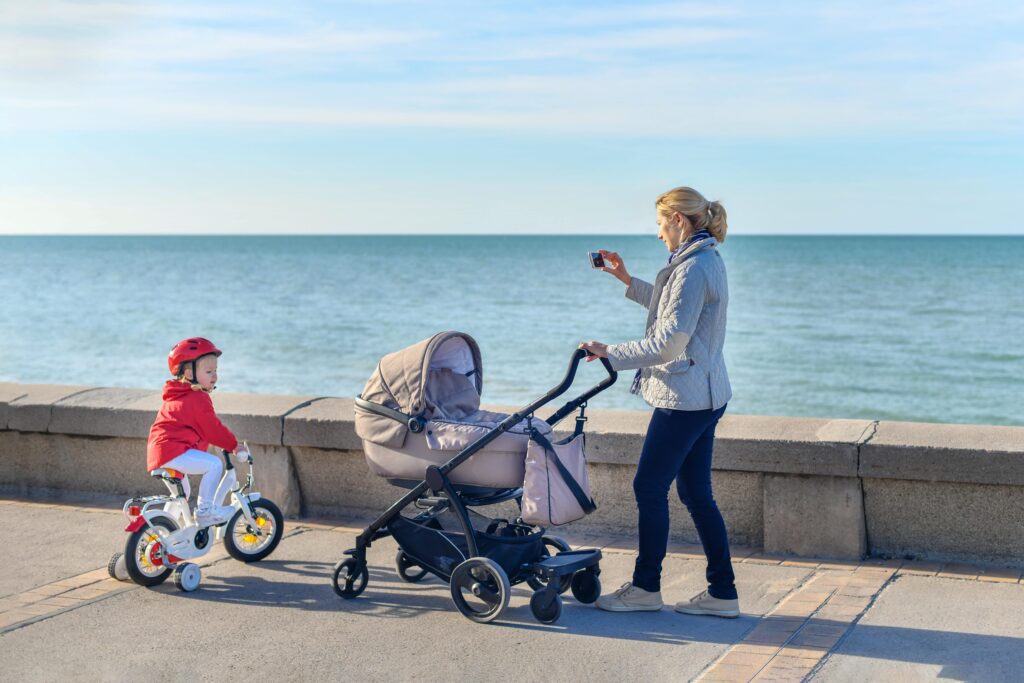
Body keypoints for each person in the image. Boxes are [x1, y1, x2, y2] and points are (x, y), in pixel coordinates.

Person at [581, 186, 738, 617]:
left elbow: (669, 343)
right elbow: (674, 309)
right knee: (696, 494)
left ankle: (646, 588)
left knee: (649, 487)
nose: (658, 233)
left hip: (684, 399)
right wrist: (626, 280)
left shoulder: (693, 268)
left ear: (679, 221)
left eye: (660, 224)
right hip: (706, 395)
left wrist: (610, 352)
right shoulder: (704, 259)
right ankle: (723, 593)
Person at [146, 337, 240, 527]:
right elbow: (213, 429)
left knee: (181, 496)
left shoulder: (177, 395)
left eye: (216, 370)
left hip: (160, 451)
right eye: (208, 371)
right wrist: (234, 445)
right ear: (189, 374)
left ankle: (163, 530)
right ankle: (205, 512)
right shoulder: (197, 398)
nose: (215, 376)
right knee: (214, 465)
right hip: (173, 451)